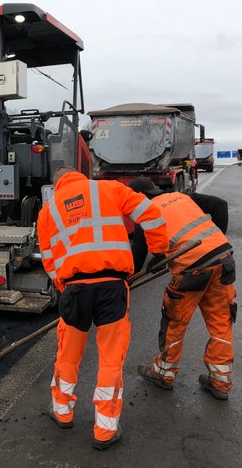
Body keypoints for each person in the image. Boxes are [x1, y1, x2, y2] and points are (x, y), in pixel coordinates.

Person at [37, 166, 169, 451]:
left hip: (74, 288)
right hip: (112, 287)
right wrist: (159, 251)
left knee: (68, 355)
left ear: (57, 184)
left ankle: (62, 412)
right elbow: (152, 213)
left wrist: (66, 290)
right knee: (110, 359)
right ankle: (105, 431)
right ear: (79, 176)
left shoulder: (48, 211)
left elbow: (48, 259)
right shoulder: (109, 189)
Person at [129, 176, 236, 401]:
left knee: (174, 322)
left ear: (138, 198)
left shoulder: (146, 213)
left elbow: (136, 261)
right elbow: (220, 205)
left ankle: (163, 374)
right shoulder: (182, 196)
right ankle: (220, 381)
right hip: (222, 259)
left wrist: (124, 281)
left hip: (191, 271)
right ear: (155, 188)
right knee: (221, 321)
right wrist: (214, 243)